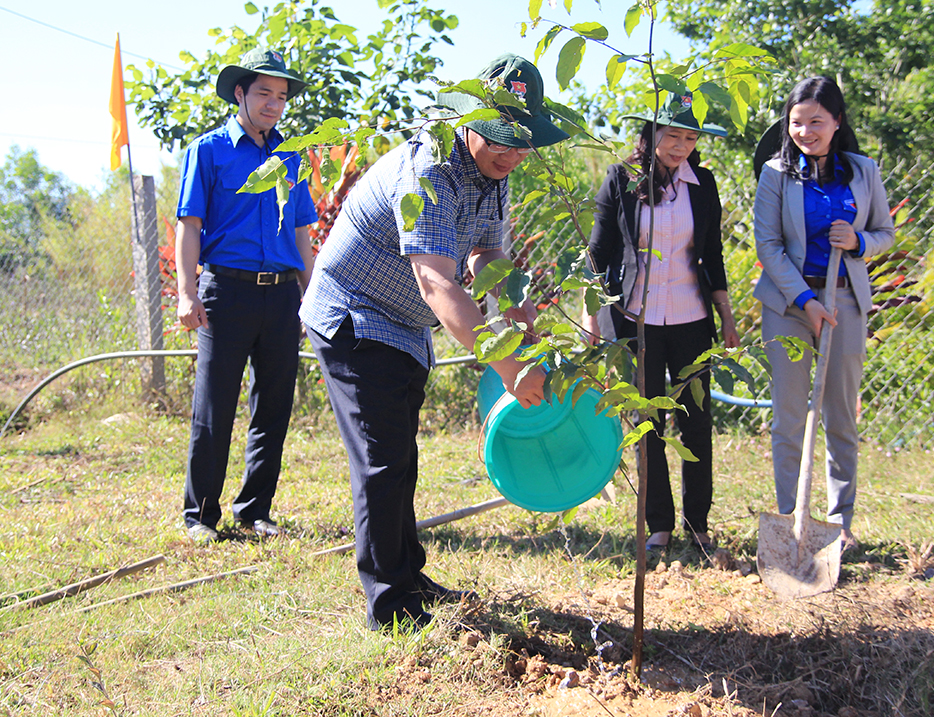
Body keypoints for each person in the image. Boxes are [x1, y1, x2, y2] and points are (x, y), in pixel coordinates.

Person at [300, 54, 569, 631]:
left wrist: (527, 333)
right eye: (501, 139)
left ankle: (407, 574)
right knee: (381, 457)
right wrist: (508, 368)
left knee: (401, 453)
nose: (512, 154)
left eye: (522, 142)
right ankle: (389, 605)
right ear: (468, 120)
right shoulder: (430, 169)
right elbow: (436, 280)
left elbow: (491, 258)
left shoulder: (491, 175)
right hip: (354, 312)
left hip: (404, 324)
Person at [584, 94, 740, 552]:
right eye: (672, 135)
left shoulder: (703, 184)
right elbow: (599, 249)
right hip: (637, 321)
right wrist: (592, 312)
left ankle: (698, 525)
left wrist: (726, 317)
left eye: (690, 137)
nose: (681, 145)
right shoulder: (622, 179)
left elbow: (713, 255)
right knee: (647, 420)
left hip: (692, 319)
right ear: (651, 135)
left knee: (696, 421)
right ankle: (659, 526)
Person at [176, 48, 317, 543]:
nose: (273, 104)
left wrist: (311, 293)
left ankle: (255, 509)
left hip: (280, 298)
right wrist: (186, 293)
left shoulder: (290, 156)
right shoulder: (209, 151)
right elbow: (189, 226)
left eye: (281, 96)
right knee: (213, 406)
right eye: (264, 93)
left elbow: (302, 231)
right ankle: (199, 516)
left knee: (274, 405)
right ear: (240, 93)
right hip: (223, 295)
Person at [753, 76, 894, 552]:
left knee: (840, 417)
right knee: (789, 416)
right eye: (796, 122)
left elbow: (884, 234)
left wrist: (857, 241)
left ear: (836, 122)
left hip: (846, 302)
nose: (805, 131)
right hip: (790, 306)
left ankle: (840, 523)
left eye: (816, 121)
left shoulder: (863, 171)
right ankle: (792, 519)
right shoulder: (775, 174)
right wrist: (807, 303)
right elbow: (769, 247)